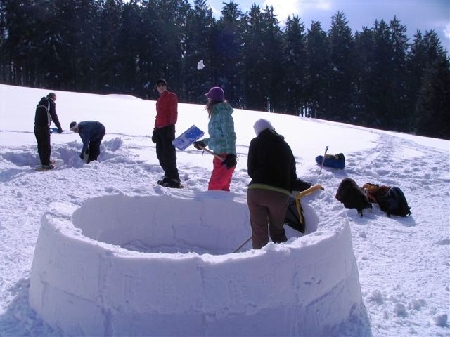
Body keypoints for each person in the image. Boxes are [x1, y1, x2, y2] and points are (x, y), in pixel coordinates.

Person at [246, 119, 308, 249]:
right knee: (277, 232)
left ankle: (258, 261)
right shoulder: (285, 146)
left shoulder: (256, 142)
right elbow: (292, 177)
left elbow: (251, 170)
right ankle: (282, 261)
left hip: (256, 191)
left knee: (259, 232)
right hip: (280, 194)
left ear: (258, 131)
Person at [193, 86, 237, 191]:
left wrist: (231, 155)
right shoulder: (216, 114)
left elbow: (230, 135)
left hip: (225, 158)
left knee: (213, 191)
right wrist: (203, 142)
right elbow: (217, 137)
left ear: (212, 100)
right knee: (222, 192)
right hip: (219, 157)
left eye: (209, 98)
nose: (208, 101)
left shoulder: (223, 114)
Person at [152, 78, 181, 188]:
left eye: (163, 85)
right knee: (160, 154)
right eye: (159, 85)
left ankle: (174, 178)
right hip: (159, 129)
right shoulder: (159, 99)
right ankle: (167, 175)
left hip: (167, 128)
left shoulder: (171, 96)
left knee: (168, 153)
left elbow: (174, 112)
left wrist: (171, 126)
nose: (161, 87)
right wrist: (155, 130)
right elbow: (158, 115)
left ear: (166, 86)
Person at [34, 92, 63, 169]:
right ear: (53, 97)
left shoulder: (41, 102)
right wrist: (59, 127)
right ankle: (46, 165)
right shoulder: (50, 103)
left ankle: (44, 161)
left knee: (40, 145)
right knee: (46, 146)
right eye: (55, 98)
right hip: (44, 127)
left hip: (36, 127)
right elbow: (54, 116)